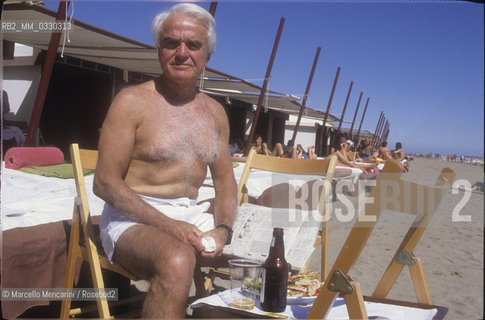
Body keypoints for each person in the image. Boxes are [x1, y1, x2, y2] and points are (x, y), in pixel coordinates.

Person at [93, 4, 237, 318]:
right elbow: (104, 183)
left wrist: (224, 229)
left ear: (207, 56)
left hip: (191, 216)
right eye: (172, 42)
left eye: (193, 45)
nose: (182, 52)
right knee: (178, 259)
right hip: (132, 218)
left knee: (268, 256)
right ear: (159, 50)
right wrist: (172, 227)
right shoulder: (131, 102)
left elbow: (226, 184)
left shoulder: (215, 113)